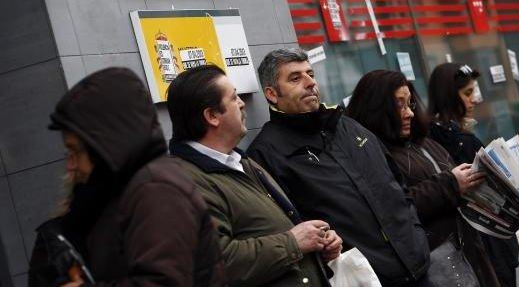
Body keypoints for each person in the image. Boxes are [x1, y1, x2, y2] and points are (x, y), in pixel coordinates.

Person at [246, 49, 431, 287]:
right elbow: (285, 233)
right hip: (361, 279)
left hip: (418, 268)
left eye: (310, 74)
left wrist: (415, 234)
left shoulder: (349, 128)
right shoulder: (266, 153)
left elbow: (397, 184)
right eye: (295, 78)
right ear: (272, 94)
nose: (310, 82)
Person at [28, 67, 225, 286]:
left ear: (104, 147)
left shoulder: (155, 189)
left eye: (76, 151)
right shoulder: (120, 191)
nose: (70, 165)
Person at [166, 64, 338, 287]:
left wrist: (318, 246)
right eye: (234, 98)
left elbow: (272, 230)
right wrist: (293, 243)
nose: (242, 104)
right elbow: (216, 263)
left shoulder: (240, 161)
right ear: (212, 116)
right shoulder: (185, 183)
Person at [346, 70, 501, 287]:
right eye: (399, 105)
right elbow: (395, 207)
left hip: (466, 254)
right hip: (435, 265)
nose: (408, 112)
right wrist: (451, 184)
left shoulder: (423, 142)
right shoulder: (371, 154)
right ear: (378, 108)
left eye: (410, 103)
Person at [427, 63, 519, 286]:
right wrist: (515, 167)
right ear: (450, 96)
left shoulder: (442, 136)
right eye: (467, 93)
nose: (475, 100)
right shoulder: (455, 140)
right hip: (484, 241)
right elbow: (483, 185)